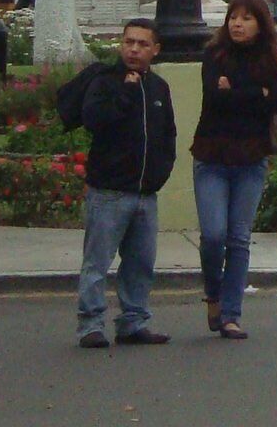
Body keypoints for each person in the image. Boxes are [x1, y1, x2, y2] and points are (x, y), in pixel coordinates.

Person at [74, 17, 177, 347]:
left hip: (145, 194)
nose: (134, 49)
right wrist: (126, 93)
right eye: (129, 42)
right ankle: (91, 324)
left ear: (155, 50)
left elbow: (168, 134)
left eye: (143, 44)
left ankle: (133, 321)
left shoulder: (159, 88)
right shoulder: (106, 81)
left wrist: (161, 171)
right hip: (109, 191)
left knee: (140, 264)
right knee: (97, 263)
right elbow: (94, 120)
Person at [191, 0, 277, 341]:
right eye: (233, 17)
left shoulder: (272, 61)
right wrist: (253, 94)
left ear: (260, 24)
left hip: (251, 160)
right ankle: (213, 293)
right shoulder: (214, 55)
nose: (237, 24)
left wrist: (238, 91)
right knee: (214, 236)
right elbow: (214, 98)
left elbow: (275, 101)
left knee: (239, 238)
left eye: (246, 18)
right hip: (212, 158)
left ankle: (230, 314)